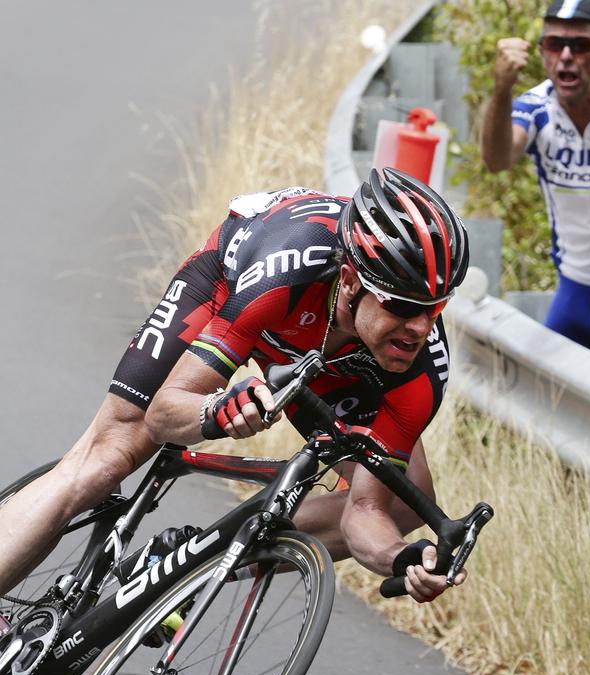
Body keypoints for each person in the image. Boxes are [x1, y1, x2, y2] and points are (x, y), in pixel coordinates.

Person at [0, 167, 470, 609]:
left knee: (407, 497)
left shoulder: (422, 368)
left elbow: (365, 511)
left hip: (336, 354)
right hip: (229, 288)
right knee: (111, 454)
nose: (420, 327)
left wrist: (402, 561)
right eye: (403, 306)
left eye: (436, 307)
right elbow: (165, 414)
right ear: (350, 281)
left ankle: (187, 562)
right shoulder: (286, 269)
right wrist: (218, 410)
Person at [481, 0, 590, 373]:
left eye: (581, 45)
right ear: (542, 52)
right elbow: (497, 160)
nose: (566, 56)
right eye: (554, 44)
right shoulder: (535, 109)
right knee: (538, 393)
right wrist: (502, 89)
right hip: (573, 292)